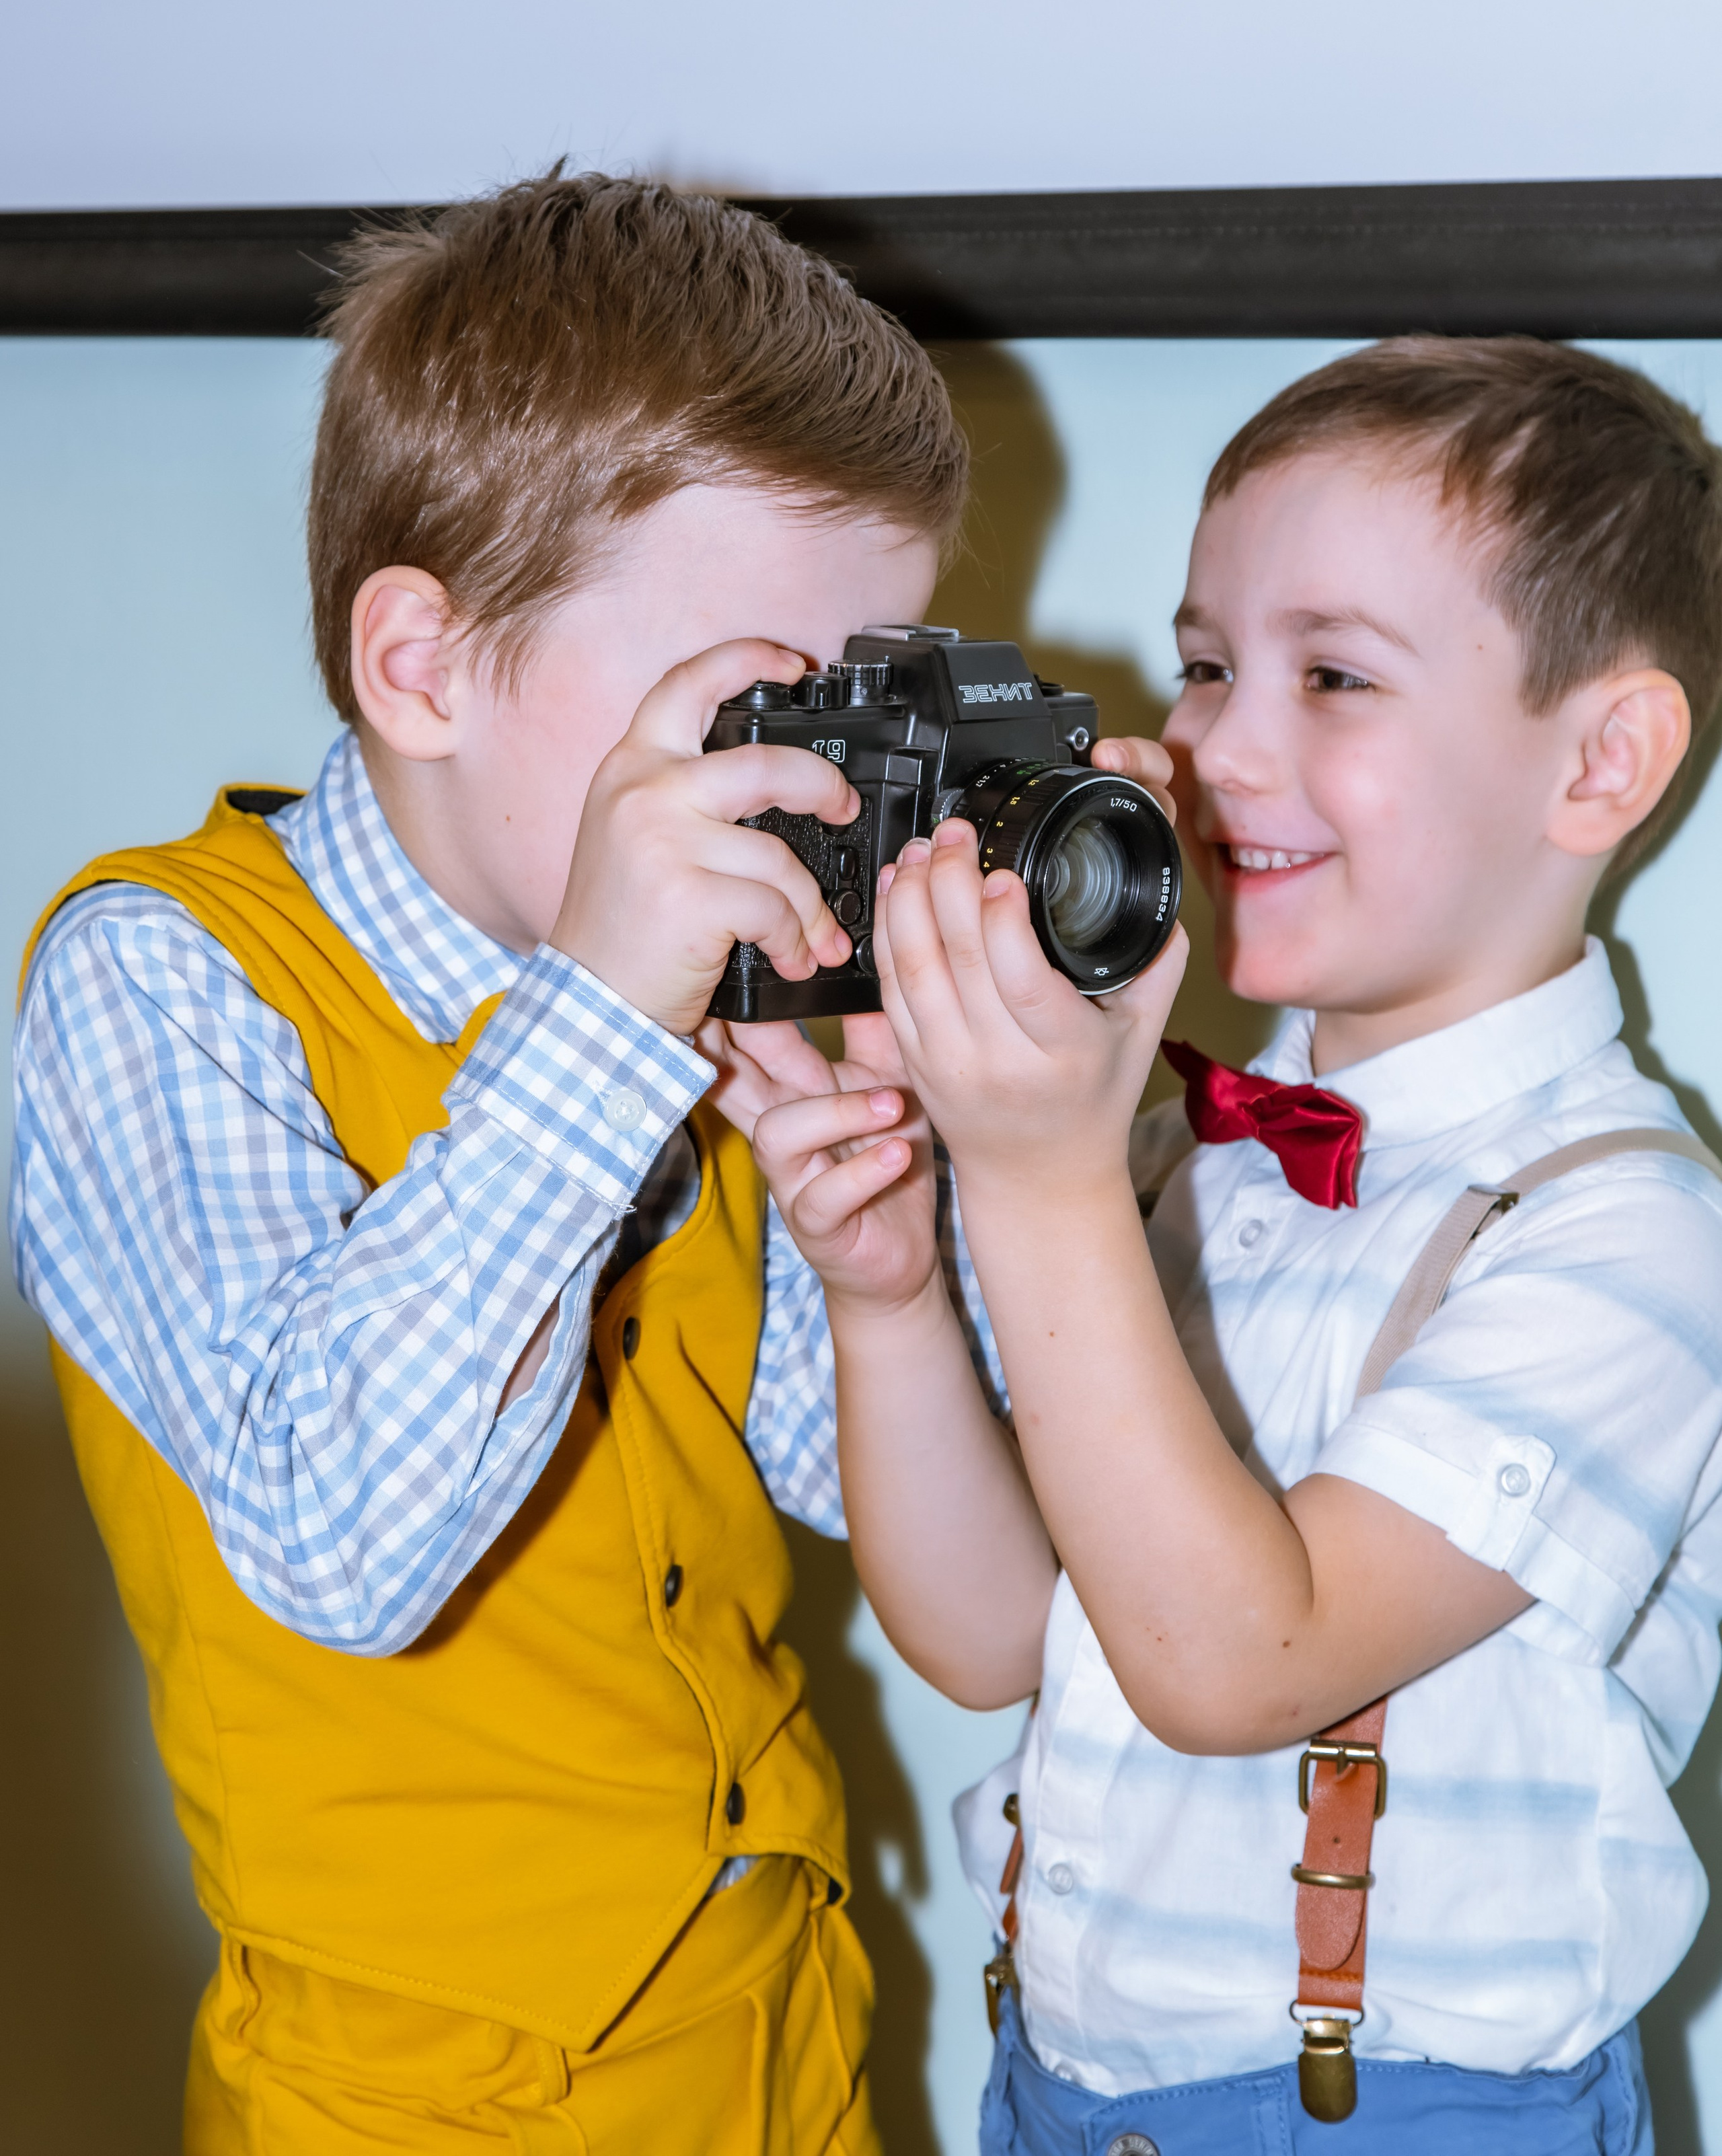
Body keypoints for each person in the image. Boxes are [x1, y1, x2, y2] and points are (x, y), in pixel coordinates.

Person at [9, 170, 975, 2155]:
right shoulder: (158, 981)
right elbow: (338, 1551)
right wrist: (607, 1028)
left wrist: (917, 1190)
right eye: (750, 704)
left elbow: (835, 1481)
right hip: (422, 2097)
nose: (810, 786)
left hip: (777, 2022)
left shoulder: (701, 983)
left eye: (855, 705)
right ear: (422, 669)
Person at [720, 338, 1722, 2153]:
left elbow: (1238, 1663)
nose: (1217, 746)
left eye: (1334, 675)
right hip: (1059, 2094)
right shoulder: (1207, 1164)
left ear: (1606, 762)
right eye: (1204, 664)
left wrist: (1039, 1182)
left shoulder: (1632, 1239)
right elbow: (1001, 1635)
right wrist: (889, 1299)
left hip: (1409, 2122)